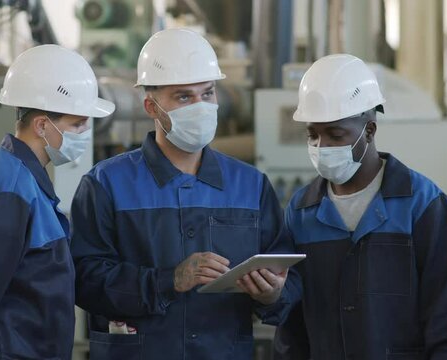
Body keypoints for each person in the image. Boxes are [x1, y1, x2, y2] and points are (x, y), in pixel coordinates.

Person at [70, 28, 288, 360]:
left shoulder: (251, 186)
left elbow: (288, 276)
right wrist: (168, 280)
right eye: (184, 97)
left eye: (208, 93)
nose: (201, 106)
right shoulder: (106, 184)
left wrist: (274, 294)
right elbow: (84, 281)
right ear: (151, 106)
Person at [271, 53, 447, 359]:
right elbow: (291, 330)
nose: (321, 147)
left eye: (336, 135)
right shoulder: (301, 211)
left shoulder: (422, 205)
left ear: (369, 131)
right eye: (313, 135)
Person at [0, 44, 115, 359]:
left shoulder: (21, 178)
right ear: (42, 125)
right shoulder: (10, 189)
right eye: (78, 123)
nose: (85, 132)